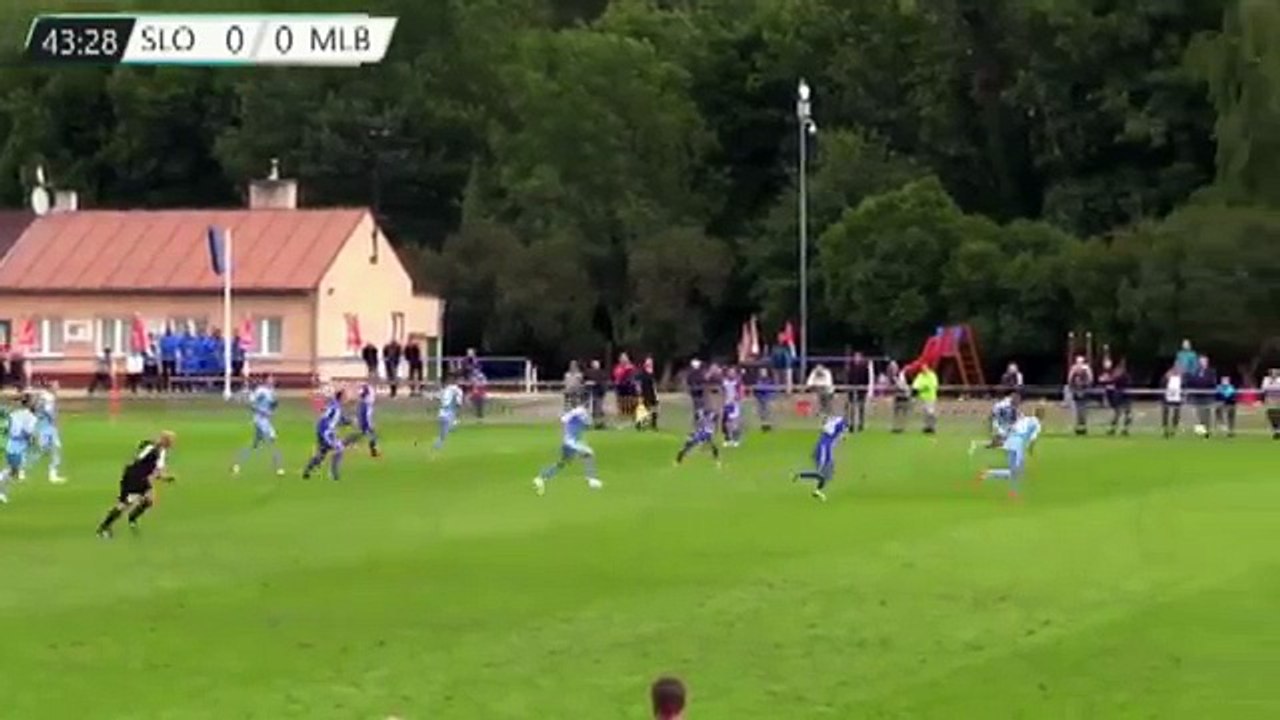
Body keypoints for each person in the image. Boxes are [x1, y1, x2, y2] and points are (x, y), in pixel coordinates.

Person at [95, 431, 176, 537]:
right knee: (126, 503)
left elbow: (138, 457)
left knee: (149, 499)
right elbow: (157, 471)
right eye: (171, 441)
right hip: (136, 477)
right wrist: (167, 478)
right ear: (166, 442)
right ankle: (103, 528)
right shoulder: (158, 451)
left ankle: (132, 519)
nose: (173, 443)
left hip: (132, 473)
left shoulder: (150, 445)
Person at [531, 405, 603, 496]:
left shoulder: (576, 414)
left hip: (569, 442)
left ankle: (541, 477)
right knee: (588, 453)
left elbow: (566, 421)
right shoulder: (580, 412)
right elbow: (586, 424)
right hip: (571, 442)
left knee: (563, 463)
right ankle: (592, 479)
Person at [976, 407, 1043, 500]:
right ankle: (1010, 490)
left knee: (1014, 472)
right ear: (1042, 415)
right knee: (1016, 473)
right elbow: (1032, 440)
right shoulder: (1037, 424)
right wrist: (1030, 452)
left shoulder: (1026, 419)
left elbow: (1013, 428)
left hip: (1010, 442)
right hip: (1017, 445)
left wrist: (1004, 439)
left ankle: (989, 475)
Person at [232, 375, 284, 476]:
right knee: (271, 441)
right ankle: (279, 468)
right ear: (265, 381)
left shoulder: (273, 392)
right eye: (270, 379)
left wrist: (273, 408)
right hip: (260, 421)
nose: (272, 380)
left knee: (254, 444)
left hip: (266, 421)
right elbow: (252, 405)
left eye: (273, 379)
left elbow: (273, 406)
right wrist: (263, 412)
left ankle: (236, 465)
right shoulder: (261, 391)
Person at [792, 415, 849, 502]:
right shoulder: (835, 429)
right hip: (824, 450)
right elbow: (837, 436)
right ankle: (801, 476)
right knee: (821, 474)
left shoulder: (833, 425)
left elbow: (831, 430)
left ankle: (815, 488)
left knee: (826, 474)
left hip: (824, 449)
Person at [302, 389, 349, 481]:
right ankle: (333, 473)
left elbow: (339, 420)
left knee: (322, 454)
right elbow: (326, 418)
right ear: (341, 397)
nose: (347, 397)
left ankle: (307, 471)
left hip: (323, 431)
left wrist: (349, 421)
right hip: (326, 432)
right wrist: (327, 430)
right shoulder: (335, 407)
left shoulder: (335, 406)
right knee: (339, 449)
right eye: (345, 396)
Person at [0, 396, 37, 503]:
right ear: (29, 404)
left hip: (11, 443)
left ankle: (2, 493)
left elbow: (8, 427)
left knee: (13, 470)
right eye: (34, 402)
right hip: (18, 446)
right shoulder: (31, 417)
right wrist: (32, 440)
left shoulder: (14, 414)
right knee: (13, 470)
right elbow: (28, 432)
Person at [30, 382, 66, 484]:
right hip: (47, 427)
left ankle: (52, 474)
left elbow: (35, 409)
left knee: (47, 450)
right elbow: (48, 411)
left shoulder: (42, 395)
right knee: (52, 449)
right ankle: (20, 467)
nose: (58, 388)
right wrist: (56, 421)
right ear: (51, 387)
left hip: (42, 426)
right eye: (56, 386)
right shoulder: (49, 397)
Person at [345, 382, 380, 457]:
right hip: (365, 417)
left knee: (363, 433)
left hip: (364, 414)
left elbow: (361, 395)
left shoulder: (367, 390)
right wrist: (370, 424)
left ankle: (347, 442)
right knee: (370, 433)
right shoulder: (366, 403)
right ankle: (373, 451)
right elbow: (366, 415)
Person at [1099, 358, 1132, 436]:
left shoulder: (1118, 372)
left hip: (1122, 394)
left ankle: (1119, 429)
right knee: (1122, 413)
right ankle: (1120, 429)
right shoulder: (1119, 372)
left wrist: (1104, 380)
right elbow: (1112, 380)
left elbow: (1112, 380)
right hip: (1122, 394)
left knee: (1121, 413)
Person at [1186, 355, 1217, 435]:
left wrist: (1201, 381)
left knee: (1206, 414)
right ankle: (1201, 430)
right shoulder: (1196, 371)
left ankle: (1207, 431)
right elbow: (1191, 381)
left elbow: (1211, 382)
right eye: (1201, 361)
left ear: (1207, 362)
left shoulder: (1211, 372)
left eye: (1204, 361)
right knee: (1198, 414)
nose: (1202, 363)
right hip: (1197, 396)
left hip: (1207, 396)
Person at [432, 375, 464, 450]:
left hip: (443, 411)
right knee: (446, 428)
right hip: (449, 411)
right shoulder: (457, 390)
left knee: (443, 428)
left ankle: (439, 443)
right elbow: (458, 403)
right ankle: (453, 425)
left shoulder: (446, 390)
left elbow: (437, 398)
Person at [846, 352, 874, 432]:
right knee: (852, 407)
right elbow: (849, 377)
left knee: (861, 407)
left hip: (861, 389)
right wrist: (849, 387)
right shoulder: (851, 366)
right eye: (855, 357)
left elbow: (867, 378)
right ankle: (851, 425)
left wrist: (865, 387)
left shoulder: (864, 367)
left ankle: (860, 425)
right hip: (852, 388)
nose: (857, 358)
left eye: (858, 357)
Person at [1066, 355, 1093, 435]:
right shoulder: (1074, 369)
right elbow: (1070, 380)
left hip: (1083, 392)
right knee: (1077, 411)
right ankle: (1078, 427)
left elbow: (1090, 380)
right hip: (1076, 392)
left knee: (1083, 411)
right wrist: (1073, 389)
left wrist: (1084, 388)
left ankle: (1083, 427)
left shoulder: (1086, 369)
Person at [912, 363, 939, 434]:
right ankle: (927, 427)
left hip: (930, 397)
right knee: (925, 413)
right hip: (922, 397)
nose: (923, 370)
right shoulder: (920, 376)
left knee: (930, 412)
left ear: (927, 368)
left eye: (925, 368)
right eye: (922, 368)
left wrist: (921, 387)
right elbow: (916, 384)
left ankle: (932, 427)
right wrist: (916, 389)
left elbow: (933, 385)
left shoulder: (932, 375)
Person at [720, 367, 743, 447]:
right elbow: (722, 391)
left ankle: (736, 439)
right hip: (726, 403)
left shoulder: (737, 382)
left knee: (734, 422)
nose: (731, 374)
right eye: (730, 372)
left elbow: (741, 391)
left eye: (733, 372)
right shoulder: (724, 381)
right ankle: (728, 438)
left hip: (734, 403)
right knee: (726, 422)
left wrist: (738, 397)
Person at [636, 356, 660, 431]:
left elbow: (654, 384)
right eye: (648, 362)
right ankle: (640, 424)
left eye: (651, 362)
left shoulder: (653, 373)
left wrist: (656, 393)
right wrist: (639, 390)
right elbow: (638, 382)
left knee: (655, 408)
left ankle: (653, 424)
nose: (650, 363)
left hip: (652, 393)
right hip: (644, 393)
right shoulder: (642, 372)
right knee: (644, 409)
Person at [1161, 365, 1184, 439]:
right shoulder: (1167, 377)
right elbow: (1162, 385)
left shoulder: (1181, 378)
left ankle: (1174, 429)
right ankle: (1165, 429)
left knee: (1176, 414)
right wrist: (1166, 378)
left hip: (1177, 399)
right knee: (1165, 414)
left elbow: (1184, 386)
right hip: (1167, 398)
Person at [752, 366, 776, 432]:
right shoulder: (758, 380)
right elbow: (755, 389)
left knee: (768, 412)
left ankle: (769, 425)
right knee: (761, 413)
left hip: (767, 398)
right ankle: (763, 425)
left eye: (764, 371)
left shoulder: (769, 380)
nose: (763, 373)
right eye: (761, 371)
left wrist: (772, 397)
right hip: (760, 398)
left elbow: (773, 389)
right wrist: (757, 396)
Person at [1263, 369, 1280, 440]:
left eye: (1275, 373)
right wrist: (1272, 383)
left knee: (1278, 416)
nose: (1274, 374)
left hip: (1278, 400)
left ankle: (1278, 431)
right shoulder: (1266, 380)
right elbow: (1264, 388)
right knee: (1271, 416)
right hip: (1269, 401)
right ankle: (1275, 431)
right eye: (1272, 373)